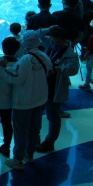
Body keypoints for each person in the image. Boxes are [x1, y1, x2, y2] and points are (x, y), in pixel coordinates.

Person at [4, 31, 50, 170]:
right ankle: (29, 154)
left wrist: (7, 68)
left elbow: (17, 79)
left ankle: (17, 160)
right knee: (35, 128)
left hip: (24, 101)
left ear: (25, 44)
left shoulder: (25, 59)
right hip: (40, 98)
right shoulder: (44, 56)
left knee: (21, 130)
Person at [36, 25, 80, 153]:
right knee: (36, 113)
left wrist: (58, 69)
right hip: (42, 86)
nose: (55, 44)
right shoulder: (49, 45)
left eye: (58, 42)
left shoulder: (70, 54)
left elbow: (74, 69)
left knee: (53, 116)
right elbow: (37, 34)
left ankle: (50, 141)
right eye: (52, 41)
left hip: (55, 88)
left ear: (64, 40)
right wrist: (48, 29)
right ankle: (35, 136)